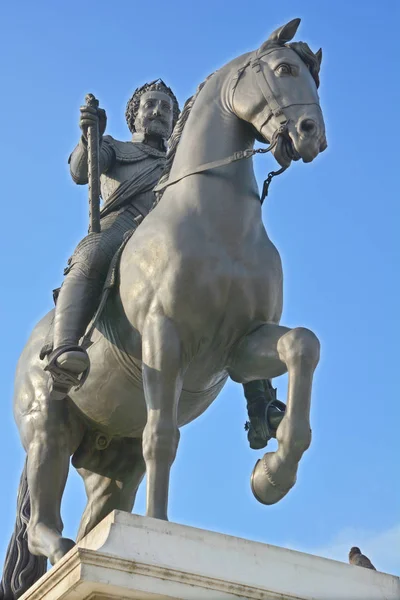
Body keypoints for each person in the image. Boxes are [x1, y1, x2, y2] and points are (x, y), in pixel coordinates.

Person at [44, 79, 180, 398]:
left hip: (174, 231)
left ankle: (260, 398)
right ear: (134, 115)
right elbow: (80, 172)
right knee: (91, 253)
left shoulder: (181, 163)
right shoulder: (116, 147)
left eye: (166, 108)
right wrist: (88, 138)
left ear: (175, 121)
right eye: (151, 105)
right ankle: (64, 350)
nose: (159, 111)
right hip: (124, 224)